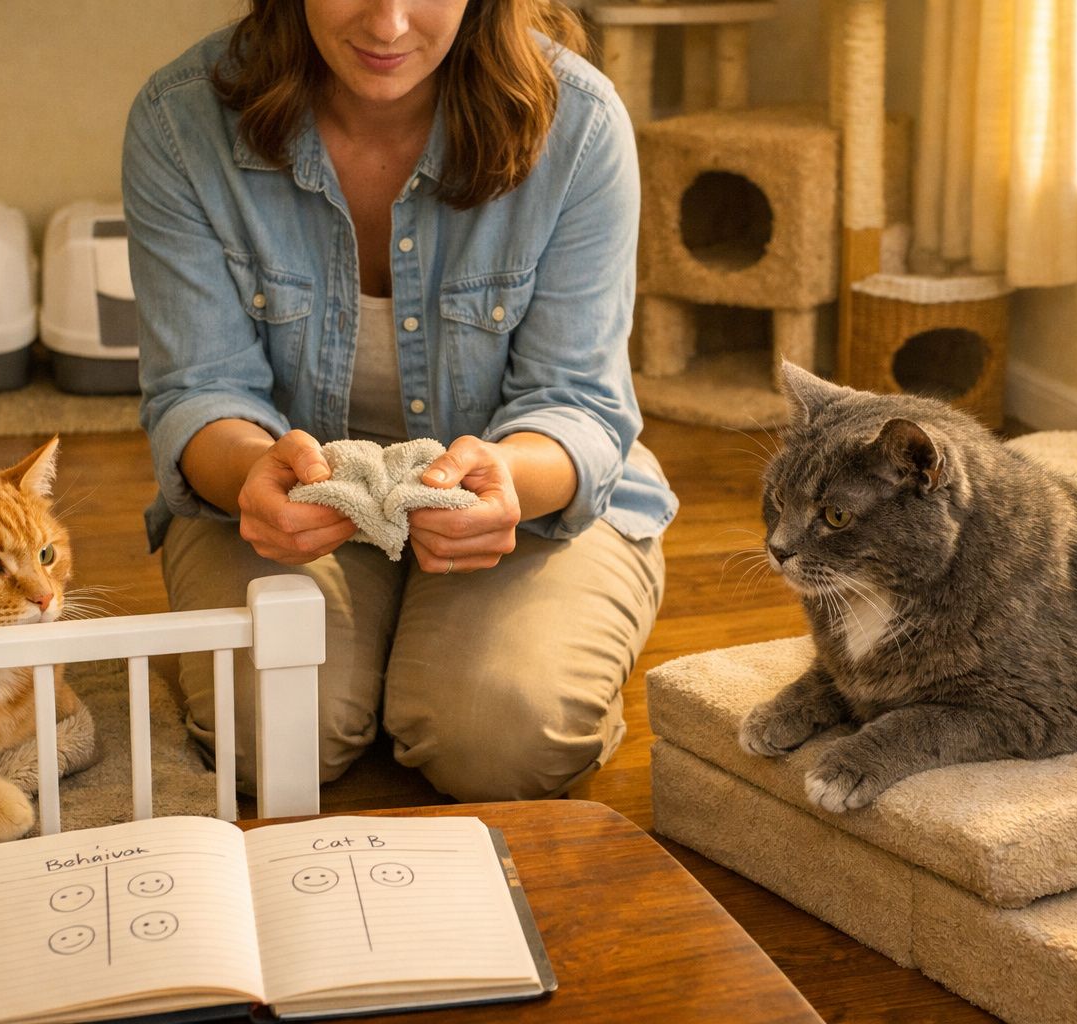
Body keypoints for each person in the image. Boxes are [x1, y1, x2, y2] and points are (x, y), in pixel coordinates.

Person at [122, 0, 678, 802]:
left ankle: (427, 661)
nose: (388, 26)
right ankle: (391, 658)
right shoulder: (181, 122)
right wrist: (252, 470)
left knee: (499, 738)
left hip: (523, 500)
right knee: (273, 738)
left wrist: (506, 480)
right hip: (287, 500)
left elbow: (577, 402)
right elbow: (196, 390)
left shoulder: (580, 126)